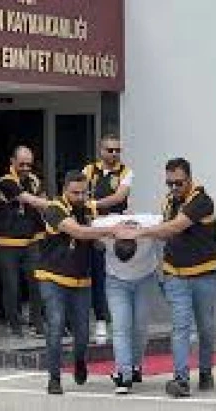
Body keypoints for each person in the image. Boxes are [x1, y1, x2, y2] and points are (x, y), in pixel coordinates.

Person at [117, 158, 216, 398]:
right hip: (175, 274)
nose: (173, 187)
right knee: (180, 327)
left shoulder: (202, 200)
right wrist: (132, 222)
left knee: (205, 327)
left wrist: (138, 232)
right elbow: (164, 234)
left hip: (204, 274)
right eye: (169, 183)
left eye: (178, 183)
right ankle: (181, 379)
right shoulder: (168, 201)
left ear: (189, 179)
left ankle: (205, 371)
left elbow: (175, 227)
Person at [34, 170, 117, 395]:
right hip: (52, 277)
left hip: (81, 280)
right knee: (56, 324)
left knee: (82, 333)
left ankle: (79, 360)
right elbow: (78, 232)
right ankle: (54, 378)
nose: (80, 197)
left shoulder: (90, 209)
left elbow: (96, 240)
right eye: (75, 193)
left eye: (83, 193)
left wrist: (114, 233)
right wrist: (111, 230)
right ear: (65, 190)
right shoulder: (54, 208)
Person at [91, 214, 163, 394]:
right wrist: (101, 237)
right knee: (121, 327)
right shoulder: (103, 226)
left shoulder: (151, 222)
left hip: (145, 278)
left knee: (140, 326)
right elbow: (89, 236)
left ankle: (135, 366)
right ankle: (124, 374)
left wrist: (149, 233)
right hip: (116, 281)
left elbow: (169, 228)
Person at [82, 133, 133, 342]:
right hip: (94, 227)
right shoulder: (89, 170)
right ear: (101, 150)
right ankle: (101, 319)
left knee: (118, 273)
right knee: (97, 275)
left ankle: (119, 318)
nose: (114, 154)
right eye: (110, 150)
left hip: (116, 229)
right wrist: (90, 210)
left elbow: (119, 197)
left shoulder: (126, 172)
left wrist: (94, 203)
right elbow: (82, 194)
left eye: (117, 150)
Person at [0, 146, 49, 337]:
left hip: (32, 241)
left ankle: (37, 323)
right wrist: (57, 205)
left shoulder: (34, 180)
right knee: (12, 286)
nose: (25, 168)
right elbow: (29, 199)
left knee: (37, 283)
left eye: (29, 164)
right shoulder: (5, 181)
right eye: (22, 164)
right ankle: (14, 324)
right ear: (12, 161)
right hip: (6, 243)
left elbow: (41, 201)